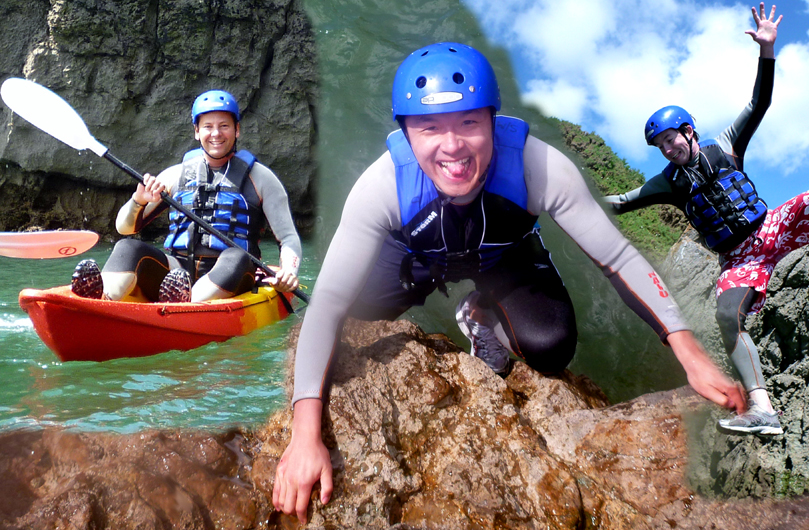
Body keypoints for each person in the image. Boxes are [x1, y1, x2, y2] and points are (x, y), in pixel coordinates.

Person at [272, 42, 746, 523]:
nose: (452, 146)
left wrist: (688, 352)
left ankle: (481, 317)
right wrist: (305, 433)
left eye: (469, 123)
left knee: (551, 348)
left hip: (506, 255)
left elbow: (617, 256)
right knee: (355, 318)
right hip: (419, 256)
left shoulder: (539, 167)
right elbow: (327, 303)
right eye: (429, 127)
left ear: (493, 123)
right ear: (406, 134)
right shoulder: (382, 187)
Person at [605, 4, 797, 435]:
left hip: (772, 228)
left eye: (671, 139)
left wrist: (767, 51)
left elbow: (759, 102)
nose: (668, 149)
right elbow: (619, 202)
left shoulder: (725, 146)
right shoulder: (667, 183)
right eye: (660, 146)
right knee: (726, 317)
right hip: (737, 259)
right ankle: (763, 409)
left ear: (689, 131)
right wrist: (565, 189)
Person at [70, 89, 302, 303]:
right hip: (176, 272)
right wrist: (138, 201)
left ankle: (183, 307)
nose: (216, 134)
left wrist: (288, 272)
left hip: (231, 275)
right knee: (128, 247)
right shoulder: (175, 176)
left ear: (237, 130)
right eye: (208, 126)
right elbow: (124, 228)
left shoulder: (261, 178)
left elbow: (288, 238)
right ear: (196, 131)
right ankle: (103, 300)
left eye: (224, 126)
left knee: (239, 256)